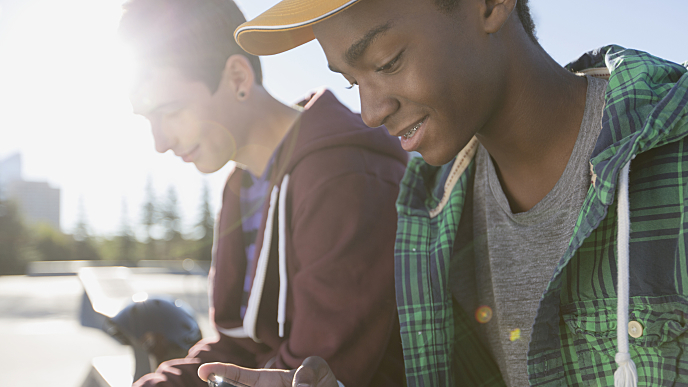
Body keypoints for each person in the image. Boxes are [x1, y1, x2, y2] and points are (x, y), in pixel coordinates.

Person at [198, 0, 688, 386]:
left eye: (387, 62)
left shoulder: (675, 151)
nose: (370, 111)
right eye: (351, 82)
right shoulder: (428, 213)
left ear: (492, 4)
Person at [118, 0, 409, 386]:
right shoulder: (242, 185)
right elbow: (235, 348)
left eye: (170, 112)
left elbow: (315, 370)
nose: (159, 141)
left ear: (238, 77)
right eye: (148, 119)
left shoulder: (342, 173)